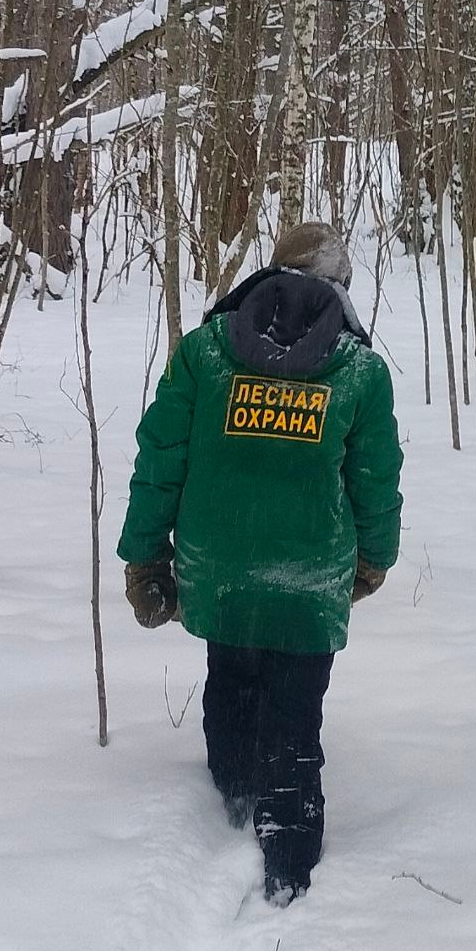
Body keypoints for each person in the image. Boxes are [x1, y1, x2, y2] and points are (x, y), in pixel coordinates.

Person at [117, 222, 403, 905]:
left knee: (233, 677)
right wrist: (376, 557)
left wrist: (143, 556)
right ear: (340, 287)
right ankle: (288, 861)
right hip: (310, 576)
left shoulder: (206, 353)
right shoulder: (360, 371)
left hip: (219, 566)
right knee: (295, 713)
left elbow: (160, 460)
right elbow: (375, 477)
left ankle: (235, 799)